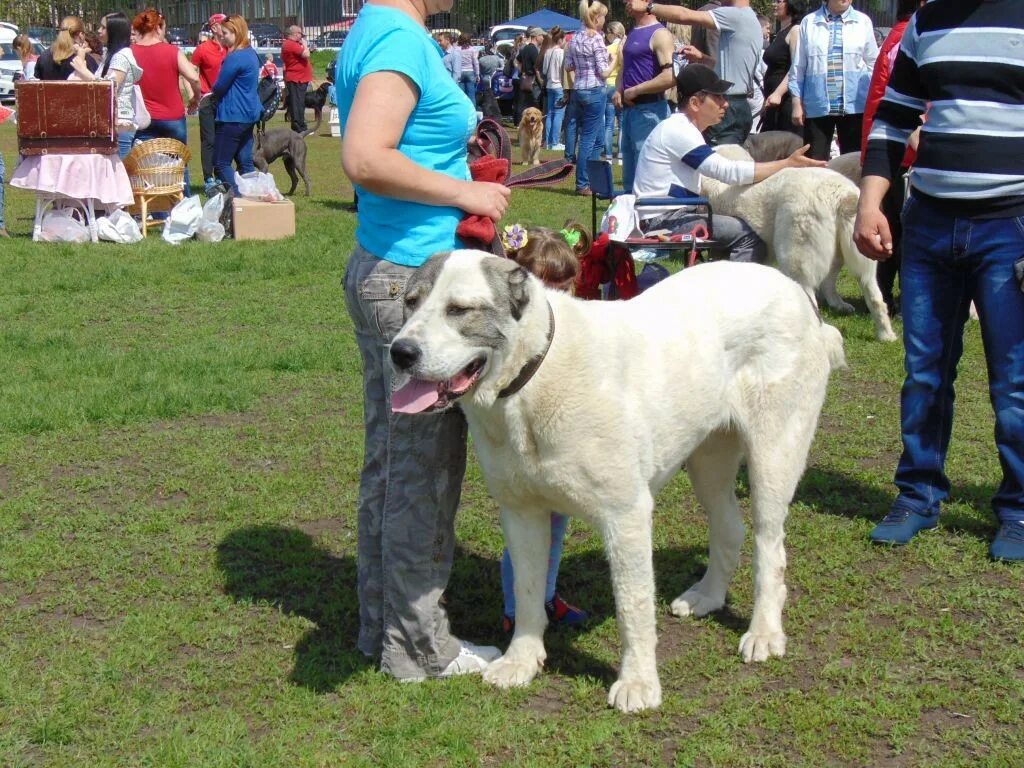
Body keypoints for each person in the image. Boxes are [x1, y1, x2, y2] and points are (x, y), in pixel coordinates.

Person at [336, 0, 511, 680]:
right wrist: (464, 194)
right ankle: (419, 649)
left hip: (390, 267)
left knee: (393, 460)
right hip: (411, 280)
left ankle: (382, 632)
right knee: (422, 470)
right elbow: (362, 156)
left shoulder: (377, 30)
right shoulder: (397, 38)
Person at [854, 0, 1024, 562]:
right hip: (928, 223)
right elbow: (893, 116)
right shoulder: (927, 22)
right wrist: (870, 202)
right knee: (923, 373)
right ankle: (918, 494)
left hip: (1012, 226)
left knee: (1015, 384)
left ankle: (1019, 508)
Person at [497, 221, 593, 634]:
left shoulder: (575, 325)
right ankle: (518, 611)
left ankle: (547, 595)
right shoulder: (512, 336)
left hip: (559, 447)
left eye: (565, 287)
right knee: (525, 531)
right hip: (522, 451)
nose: (557, 298)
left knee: (555, 527)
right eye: (546, 289)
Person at [633, 64, 824, 263]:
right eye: (718, 97)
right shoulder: (679, 131)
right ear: (695, 102)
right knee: (749, 237)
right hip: (664, 221)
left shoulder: (678, 127)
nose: (725, 104)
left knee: (730, 226)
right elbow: (727, 172)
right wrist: (786, 164)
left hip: (666, 213)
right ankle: (736, 292)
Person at [859, 0, 925, 317]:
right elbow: (906, 106)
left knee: (895, 226)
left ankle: (886, 297)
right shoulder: (907, 38)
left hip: (890, 151)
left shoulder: (898, 36)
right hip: (900, 152)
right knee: (900, 228)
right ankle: (892, 298)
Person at [634, 0, 763, 146]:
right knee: (729, 162)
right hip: (739, 105)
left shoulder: (735, 15)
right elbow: (731, 67)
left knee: (716, 163)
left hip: (727, 105)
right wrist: (702, 58)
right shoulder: (751, 19)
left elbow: (684, 15)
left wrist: (649, 7)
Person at [789, 0, 877, 160]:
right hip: (817, 106)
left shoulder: (863, 21)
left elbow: (873, 63)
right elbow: (798, 66)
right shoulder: (809, 22)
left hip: (855, 106)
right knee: (814, 162)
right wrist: (796, 102)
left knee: (853, 162)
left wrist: (871, 98)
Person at [132, 8, 201, 190]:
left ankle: (151, 205)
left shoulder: (130, 53)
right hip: (172, 117)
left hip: (143, 118)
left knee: (145, 167)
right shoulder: (171, 51)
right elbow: (193, 77)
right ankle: (182, 204)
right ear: (158, 28)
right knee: (178, 166)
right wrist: (195, 98)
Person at [615, 4, 675, 193]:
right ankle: (629, 214)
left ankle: (648, 216)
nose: (627, 3)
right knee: (629, 173)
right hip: (630, 111)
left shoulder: (660, 34)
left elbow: (669, 77)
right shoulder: (632, 32)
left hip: (650, 111)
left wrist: (636, 91)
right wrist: (618, 89)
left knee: (647, 171)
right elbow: (625, 67)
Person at [68, 12, 143, 159]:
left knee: (119, 176)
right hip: (111, 124)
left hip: (119, 126)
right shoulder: (111, 54)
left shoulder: (121, 56)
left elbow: (109, 88)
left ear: (114, 31)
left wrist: (83, 71)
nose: (99, 31)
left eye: (103, 27)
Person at [210, 15, 262, 195]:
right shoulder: (251, 54)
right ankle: (255, 197)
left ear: (236, 32)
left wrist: (211, 92)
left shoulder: (235, 57)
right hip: (249, 115)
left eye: (225, 33)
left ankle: (239, 198)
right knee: (245, 162)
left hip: (233, 116)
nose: (221, 36)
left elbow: (219, 86)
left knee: (221, 162)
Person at [565, 0, 611, 195]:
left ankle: (591, 180)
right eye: (604, 17)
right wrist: (615, 61)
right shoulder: (597, 39)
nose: (605, 20)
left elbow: (568, 66)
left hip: (579, 89)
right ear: (597, 18)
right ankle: (582, 183)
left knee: (598, 140)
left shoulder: (574, 38)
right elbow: (603, 72)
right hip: (594, 90)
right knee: (588, 140)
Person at [192, 15, 229, 191]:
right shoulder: (203, 49)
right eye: (224, 24)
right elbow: (191, 73)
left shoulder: (231, 48)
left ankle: (222, 174)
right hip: (209, 99)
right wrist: (196, 94)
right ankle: (208, 178)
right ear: (214, 28)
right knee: (209, 139)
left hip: (228, 100)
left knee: (225, 138)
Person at [761, 0, 807, 136]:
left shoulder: (795, 30)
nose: (774, 4)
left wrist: (778, 93)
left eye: (779, 1)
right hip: (773, 102)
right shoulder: (780, 32)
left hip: (786, 101)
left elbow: (796, 66)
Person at [282, 24, 313, 133]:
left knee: (300, 103)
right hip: (296, 78)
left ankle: (301, 124)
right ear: (295, 34)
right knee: (297, 103)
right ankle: (298, 127)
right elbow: (306, 54)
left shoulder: (293, 44)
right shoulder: (290, 44)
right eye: (300, 34)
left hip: (300, 78)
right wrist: (305, 45)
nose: (302, 37)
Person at [602, 21, 625, 160]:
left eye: (607, 33)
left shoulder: (607, 49)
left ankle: (608, 154)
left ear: (613, 33)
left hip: (607, 84)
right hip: (620, 85)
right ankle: (621, 153)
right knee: (622, 122)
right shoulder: (624, 47)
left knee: (609, 124)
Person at [540, 28, 566, 150]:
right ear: (560, 39)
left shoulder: (547, 52)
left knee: (549, 114)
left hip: (549, 85)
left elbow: (544, 71)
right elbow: (563, 70)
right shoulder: (561, 52)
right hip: (559, 85)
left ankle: (548, 142)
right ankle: (555, 142)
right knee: (558, 114)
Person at [514, 27, 544, 126]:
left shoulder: (524, 48)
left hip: (525, 80)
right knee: (535, 105)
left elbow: (516, 61)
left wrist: (522, 71)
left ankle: (520, 124)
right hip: (533, 81)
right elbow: (537, 68)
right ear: (536, 37)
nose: (543, 38)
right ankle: (534, 125)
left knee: (523, 104)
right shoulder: (533, 50)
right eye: (541, 36)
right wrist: (541, 81)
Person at [478, 43, 503, 119]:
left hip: (485, 79)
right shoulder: (497, 58)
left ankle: (487, 113)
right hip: (495, 78)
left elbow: (479, 71)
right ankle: (495, 112)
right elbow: (502, 67)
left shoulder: (481, 59)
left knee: (486, 97)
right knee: (494, 97)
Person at [454, 32, 479, 108]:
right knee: (471, 95)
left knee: (462, 95)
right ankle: (473, 112)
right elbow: (475, 62)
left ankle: (462, 111)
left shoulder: (457, 49)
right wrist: (477, 74)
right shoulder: (472, 49)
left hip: (460, 72)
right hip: (470, 71)